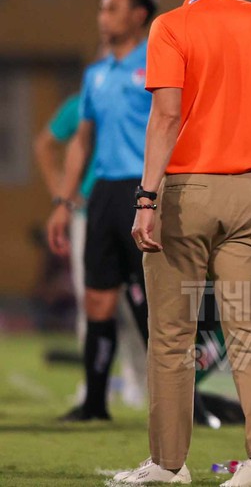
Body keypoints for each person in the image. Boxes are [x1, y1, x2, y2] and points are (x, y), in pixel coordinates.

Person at [114, 0, 251, 486]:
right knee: (250, 329)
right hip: (250, 191)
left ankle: (169, 465)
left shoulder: (170, 27)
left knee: (172, 334)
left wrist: (147, 198)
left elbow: (166, 116)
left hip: (185, 193)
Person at [46, 0, 157, 421]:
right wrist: (63, 199)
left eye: (112, 8)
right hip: (103, 195)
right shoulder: (96, 74)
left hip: (145, 190)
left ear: (138, 15)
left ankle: (178, 401)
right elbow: (81, 142)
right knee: (98, 300)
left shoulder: (158, 64)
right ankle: (95, 402)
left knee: (153, 305)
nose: (103, 16)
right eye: (101, 8)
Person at [35, 89, 148, 408]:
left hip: (138, 206)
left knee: (136, 301)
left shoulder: (145, 97)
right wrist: (61, 192)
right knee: (93, 299)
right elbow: (47, 144)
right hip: (91, 211)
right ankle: (94, 382)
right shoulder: (90, 96)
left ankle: (137, 380)